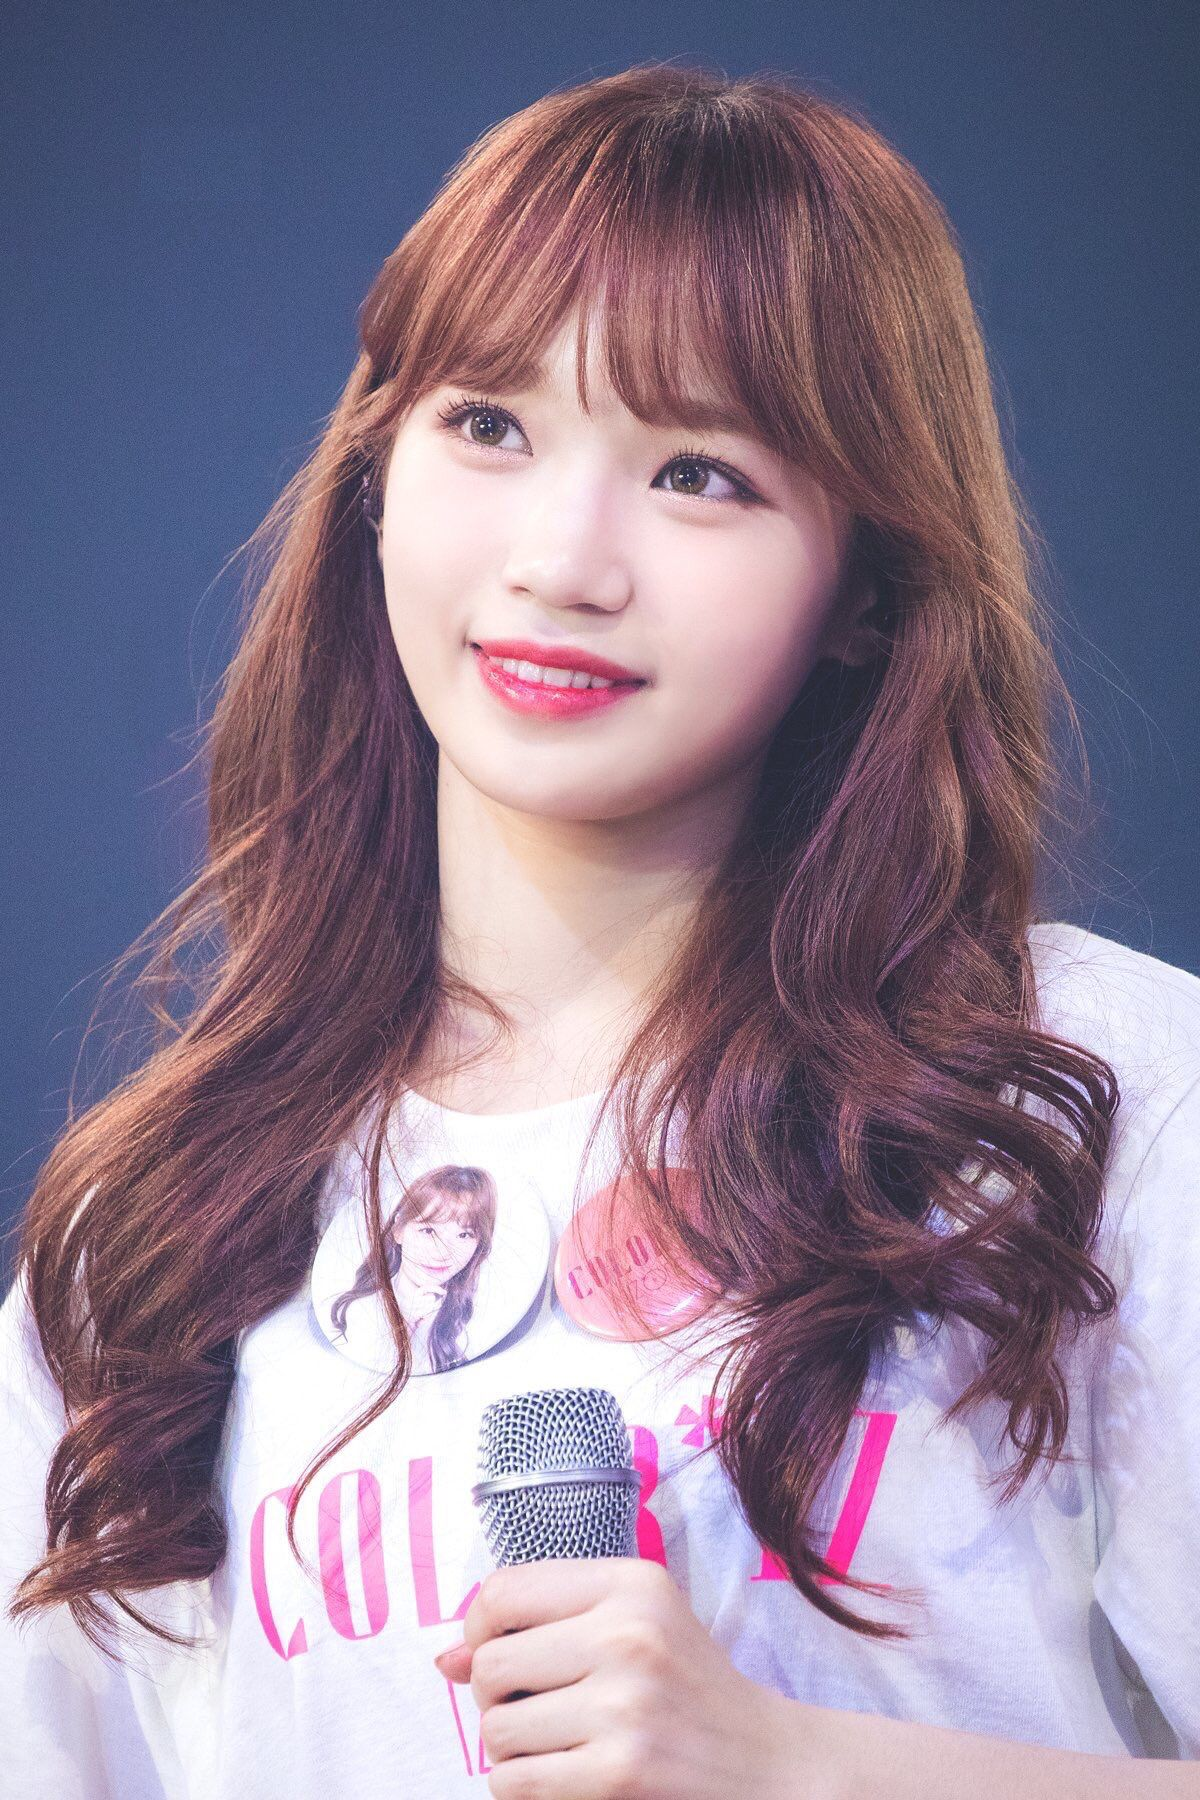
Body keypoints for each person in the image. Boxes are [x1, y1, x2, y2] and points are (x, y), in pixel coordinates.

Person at [2, 60, 1197, 1800]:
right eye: (489, 425)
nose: (563, 561)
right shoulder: (158, 1229)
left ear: (866, 592)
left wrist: (793, 1769)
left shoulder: (1092, 1098)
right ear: (375, 472)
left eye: (699, 472)